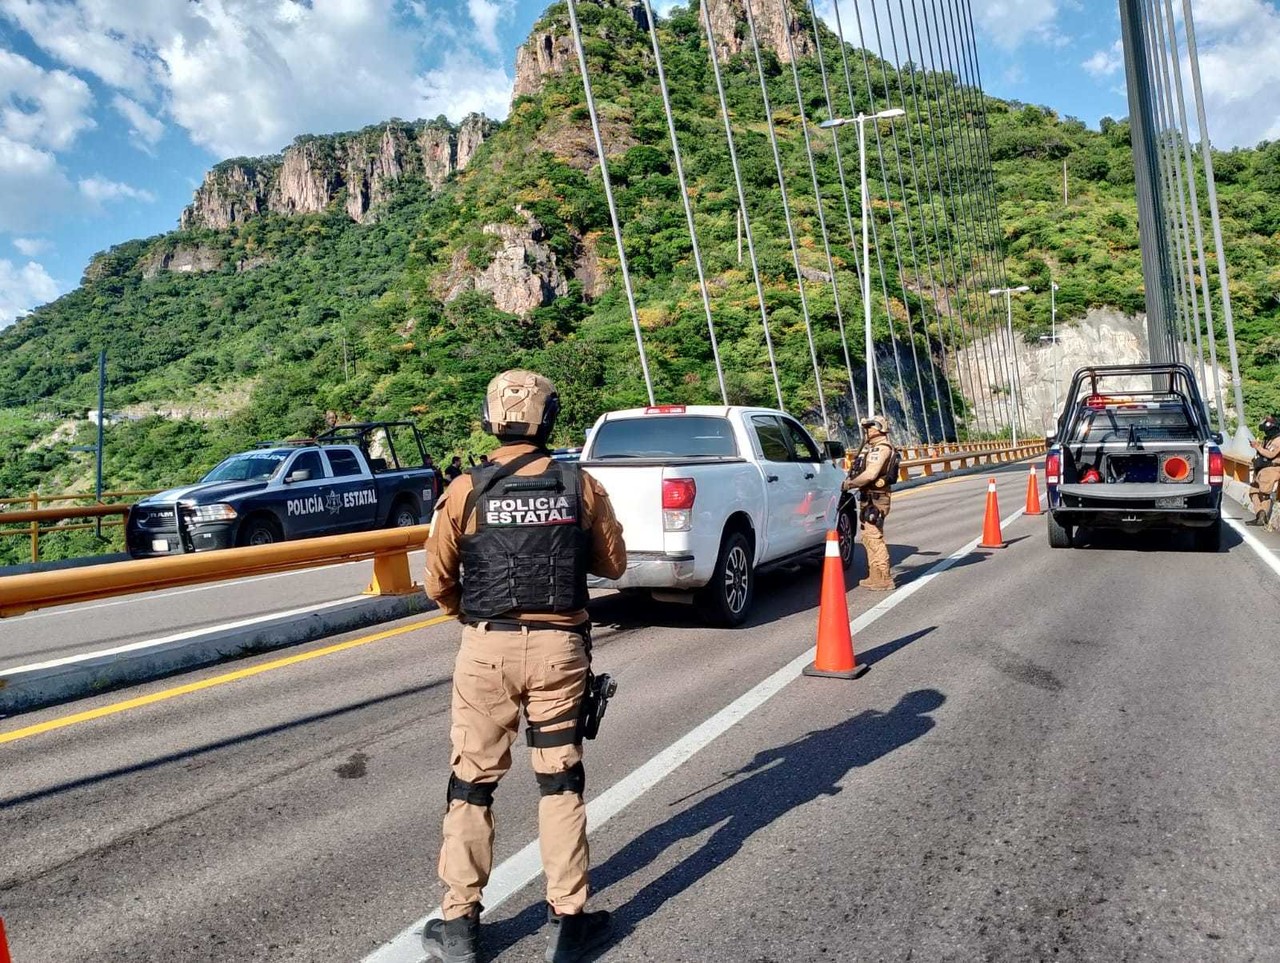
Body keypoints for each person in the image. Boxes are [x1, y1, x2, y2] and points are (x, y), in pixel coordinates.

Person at [422, 369, 627, 963]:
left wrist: (476, 616)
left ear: (491, 420)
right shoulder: (579, 484)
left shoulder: (465, 489)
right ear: (550, 419)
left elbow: (437, 579)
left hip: (486, 648)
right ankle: (568, 920)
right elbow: (613, 564)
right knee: (560, 779)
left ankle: (460, 922)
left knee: (471, 781)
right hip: (561, 648)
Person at [842, 415, 900, 591]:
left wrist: (849, 484)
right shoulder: (875, 448)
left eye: (868, 428)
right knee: (868, 537)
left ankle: (884, 578)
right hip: (870, 496)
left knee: (874, 537)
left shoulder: (881, 449)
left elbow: (870, 474)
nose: (866, 431)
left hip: (876, 497)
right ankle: (874, 576)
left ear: (877, 428)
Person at [1248, 414, 1280, 526]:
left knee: (1264, 494)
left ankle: (1262, 516)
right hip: (1261, 469)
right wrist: (1257, 445)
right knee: (1253, 492)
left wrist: (1258, 447)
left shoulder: (1278, 440)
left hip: (1271, 469)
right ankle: (1260, 513)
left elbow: (1271, 454)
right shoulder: (1268, 439)